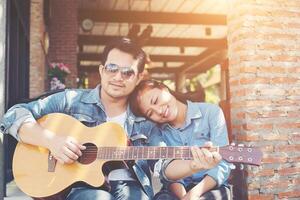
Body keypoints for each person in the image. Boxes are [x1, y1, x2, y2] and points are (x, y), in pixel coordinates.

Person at [0, 38, 162, 200]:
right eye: (112, 68)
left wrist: (186, 164)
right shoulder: (71, 100)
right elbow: (13, 115)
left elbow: (164, 164)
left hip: (130, 187)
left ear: (139, 78)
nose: (118, 77)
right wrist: (52, 141)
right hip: (79, 187)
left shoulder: (147, 116)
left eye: (127, 72)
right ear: (101, 70)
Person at [129, 79, 232, 200]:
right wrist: (184, 197)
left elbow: (223, 165)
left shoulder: (211, 112)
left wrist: (194, 194)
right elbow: (165, 171)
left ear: (164, 88)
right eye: (151, 113)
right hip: (176, 192)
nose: (159, 111)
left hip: (211, 187)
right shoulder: (156, 133)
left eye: (155, 101)